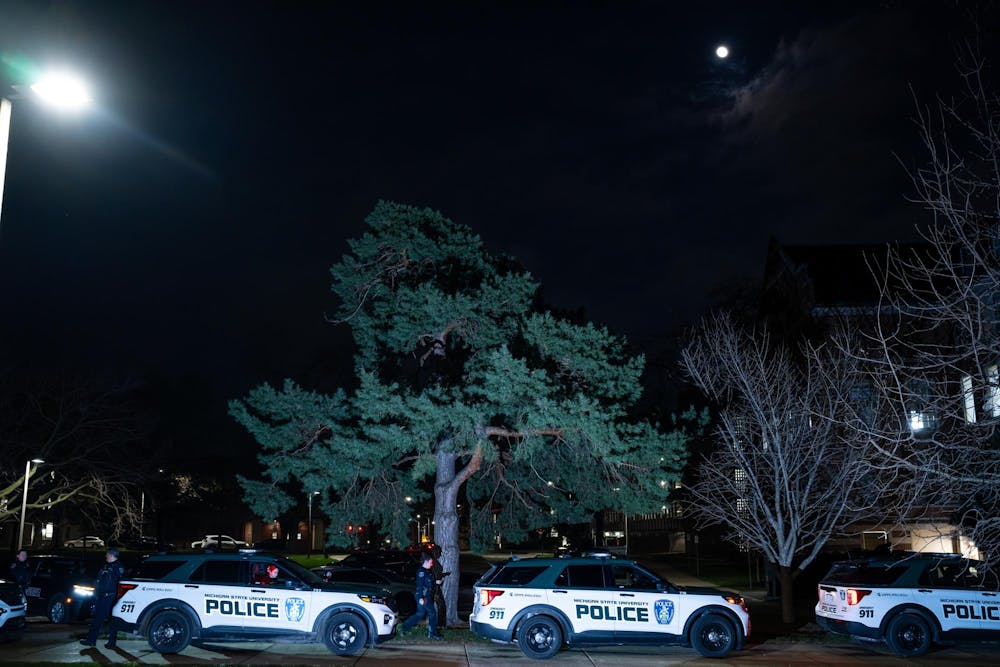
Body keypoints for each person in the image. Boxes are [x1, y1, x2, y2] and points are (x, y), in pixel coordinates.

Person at [80, 549, 125, 648]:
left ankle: (95, 641)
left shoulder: (118, 568)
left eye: (107, 555)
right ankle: (98, 641)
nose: (106, 557)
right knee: (101, 619)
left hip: (110, 597)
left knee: (103, 619)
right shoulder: (107, 566)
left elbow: (118, 581)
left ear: (112, 555)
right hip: (102, 596)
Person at [399, 554, 443, 640]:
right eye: (430, 562)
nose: (432, 564)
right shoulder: (421, 572)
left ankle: (404, 628)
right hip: (424, 597)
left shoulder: (426, 571)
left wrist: (436, 582)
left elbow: (428, 583)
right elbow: (420, 585)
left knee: (420, 614)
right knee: (432, 614)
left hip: (424, 596)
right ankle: (433, 634)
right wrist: (420, 598)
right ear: (426, 562)